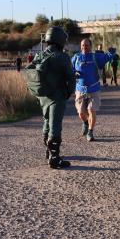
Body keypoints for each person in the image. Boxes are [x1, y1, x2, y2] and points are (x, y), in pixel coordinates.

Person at [37, 26, 75, 169]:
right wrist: (67, 93)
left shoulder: (40, 55)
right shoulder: (62, 56)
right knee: (55, 126)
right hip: (57, 96)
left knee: (46, 121)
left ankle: (48, 152)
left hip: (43, 96)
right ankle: (55, 158)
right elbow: (71, 78)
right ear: (60, 40)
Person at [72, 38, 112, 142]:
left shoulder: (95, 57)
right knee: (81, 113)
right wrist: (73, 73)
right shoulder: (76, 57)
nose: (84, 47)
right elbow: (70, 68)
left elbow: (106, 57)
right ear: (80, 46)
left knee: (91, 110)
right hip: (80, 89)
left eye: (87, 45)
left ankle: (90, 132)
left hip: (94, 89)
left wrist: (111, 53)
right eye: (83, 45)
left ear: (90, 46)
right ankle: (85, 122)